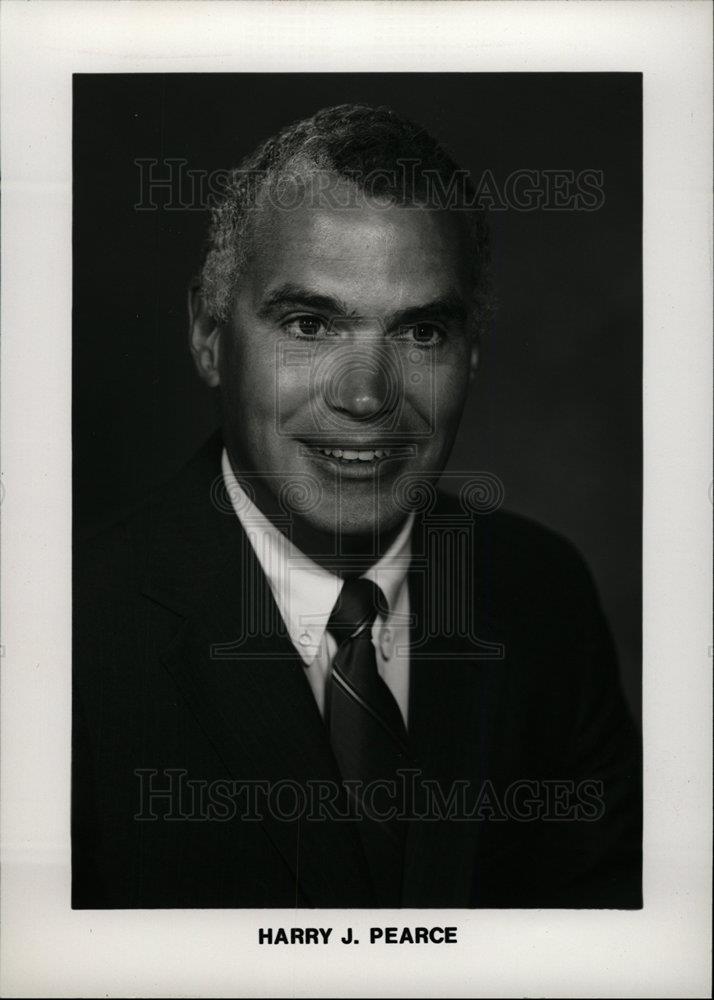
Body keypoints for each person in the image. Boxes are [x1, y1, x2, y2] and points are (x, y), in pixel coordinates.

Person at [72, 103, 641, 908]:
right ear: (207, 333)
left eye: (420, 335)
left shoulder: (542, 593)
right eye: (310, 324)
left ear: (472, 352)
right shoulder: (63, 635)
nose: (368, 395)